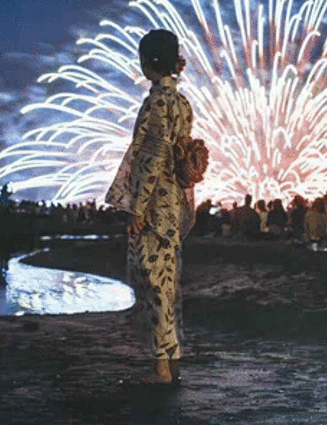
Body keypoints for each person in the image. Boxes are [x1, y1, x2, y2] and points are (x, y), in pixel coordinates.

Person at [105, 29, 195, 386]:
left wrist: (137, 208)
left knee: (153, 283)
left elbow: (153, 157)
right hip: (171, 203)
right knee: (167, 282)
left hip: (155, 206)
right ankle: (170, 359)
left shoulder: (157, 102)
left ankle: (161, 367)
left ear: (151, 62)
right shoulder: (183, 103)